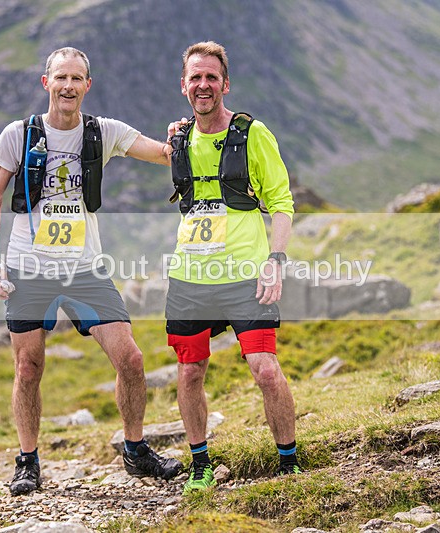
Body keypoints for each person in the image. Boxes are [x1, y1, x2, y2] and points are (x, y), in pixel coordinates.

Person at [0, 46, 183, 496]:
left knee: (131, 359)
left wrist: (179, 134)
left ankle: (135, 450)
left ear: (87, 85)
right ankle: (27, 461)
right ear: (46, 82)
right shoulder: (18, 135)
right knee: (28, 367)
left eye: (76, 79)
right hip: (28, 268)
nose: (68, 86)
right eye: (61, 77)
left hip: (86, 269)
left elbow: (163, 153)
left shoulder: (103, 132)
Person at [165, 41, 301, 494]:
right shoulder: (180, 138)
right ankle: (200, 465)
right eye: (195, 77)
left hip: (246, 275)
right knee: (190, 371)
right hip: (190, 278)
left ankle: (288, 464)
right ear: (183, 85)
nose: (203, 85)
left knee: (265, 368)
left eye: (211, 77)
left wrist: (275, 262)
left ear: (225, 84)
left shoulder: (252, 133)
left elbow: (281, 203)